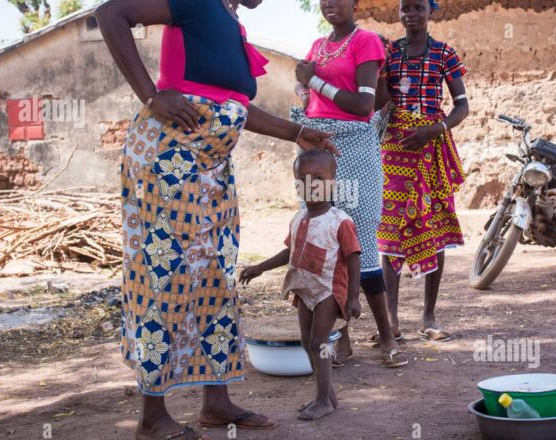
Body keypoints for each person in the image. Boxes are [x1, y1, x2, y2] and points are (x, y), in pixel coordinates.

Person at [96, 0, 337, 438]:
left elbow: (236, 108)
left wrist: (298, 133)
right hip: (168, 164)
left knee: (215, 278)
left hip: (211, 171)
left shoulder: (230, 21)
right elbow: (110, 13)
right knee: (164, 277)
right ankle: (152, 416)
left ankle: (216, 402)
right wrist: (151, 94)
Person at [293, 0, 408, 369]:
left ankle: (387, 335)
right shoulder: (316, 46)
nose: (330, 4)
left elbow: (362, 105)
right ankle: (338, 338)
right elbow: (306, 96)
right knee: (321, 237)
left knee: (360, 242)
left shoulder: (367, 42)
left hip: (355, 148)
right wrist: (304, 93)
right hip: (315, 149)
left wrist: (311, 80)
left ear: (355, 3)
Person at [239, 150, 362, 421]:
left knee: (319, 341)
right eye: (302, 180)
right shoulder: (299, 218)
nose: (311, 185)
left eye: (318, 178)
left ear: (333, 181)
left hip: (328, 291)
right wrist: (260, 267)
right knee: (307, 341)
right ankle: (327, 395)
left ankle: (322, 401)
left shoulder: (340, 220)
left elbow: (354, 257)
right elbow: (290, 252)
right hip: (304, 290)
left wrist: (353, 297)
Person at [375, 0, 469, 343]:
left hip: (431, 148)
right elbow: (379, 101)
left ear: (432, 11)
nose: (410, 14)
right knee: (390, 231)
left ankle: (428, 316)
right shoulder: (390, 53)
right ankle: (391, 318)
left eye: (418, 7)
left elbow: (462, 106)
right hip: (395, 148)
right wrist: (380, 68)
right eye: (404, 8)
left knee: (435, 224)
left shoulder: (445, 54)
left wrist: (436, 129)